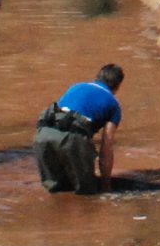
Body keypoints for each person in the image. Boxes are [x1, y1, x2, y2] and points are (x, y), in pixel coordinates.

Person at [34, 64, 125, 195]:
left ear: (97, 77)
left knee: (56, 191)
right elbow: (107, 145)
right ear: (117, 86)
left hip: (42, 135)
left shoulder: (76, 87)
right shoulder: (113, 105)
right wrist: (106, 186)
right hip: (72, 138)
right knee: (87, 196)